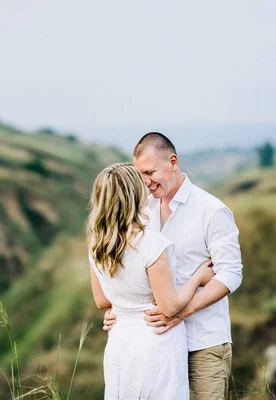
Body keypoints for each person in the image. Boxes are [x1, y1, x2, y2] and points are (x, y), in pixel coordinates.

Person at [103, 132, 244, 400]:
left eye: (150, 171)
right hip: (157, 345)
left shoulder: (211, 210)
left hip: (203, 342)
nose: (145, 181)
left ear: (173, 161)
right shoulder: (141, 210)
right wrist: (118, 309)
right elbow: (132, 266)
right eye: (140, 174)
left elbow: (231, 273)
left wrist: (181, 313)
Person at [88, 163, 215, 399]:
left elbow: (102, 300)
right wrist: (198, 277)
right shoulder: (152, 244)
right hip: (155, 341)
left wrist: (123, 305)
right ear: (133, 196)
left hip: (120, 343)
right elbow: (169, 306)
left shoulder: (96, 246)